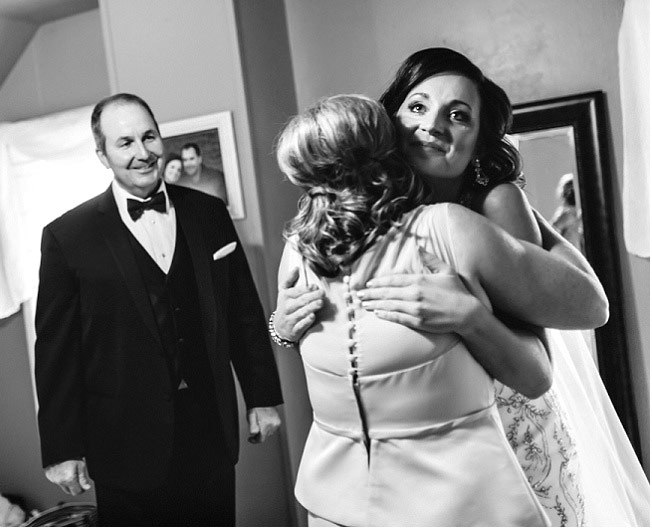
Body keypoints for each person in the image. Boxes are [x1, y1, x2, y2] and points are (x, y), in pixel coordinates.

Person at [275, 48, 648, 526]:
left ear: (477, 142)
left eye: (458, 116)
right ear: (388, 120)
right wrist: (282, 326)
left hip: (507, 423)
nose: (433, 124)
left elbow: (580, 314)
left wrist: (470, 312)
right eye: (417, 106)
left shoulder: (490, 206)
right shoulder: (347, 218)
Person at [34, 93, 283, 526]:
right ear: (102, 154)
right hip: (123, 444)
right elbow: (56, 351)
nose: (142, 153)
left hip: (209, 433)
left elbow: (242, 308)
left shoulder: (208, 212)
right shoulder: (67, 236)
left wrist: (261, 397)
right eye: (125, 142)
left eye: (149, 137)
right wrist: (61, 448)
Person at [551, 173, 585, 253]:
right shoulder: (562, 215)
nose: (570, 192)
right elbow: (550, 236)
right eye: (568, 189)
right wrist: (559, 224)